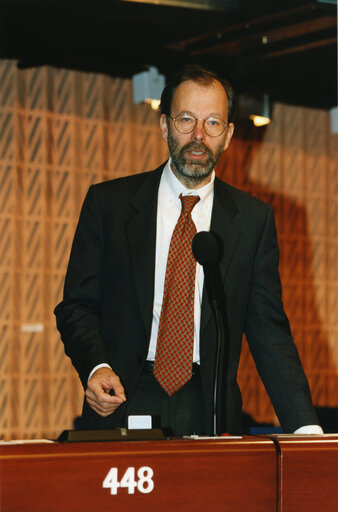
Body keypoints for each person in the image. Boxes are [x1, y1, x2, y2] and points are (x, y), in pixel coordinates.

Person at [55, 64, 322, 436]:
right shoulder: (109, 205)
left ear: (228, 136)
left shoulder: (252, 220)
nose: (199, 135)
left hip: (210, 407)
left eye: (213, 123)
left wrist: (306, 429)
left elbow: (269, 332)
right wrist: (96, 367)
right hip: (126, 396)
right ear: (164, 126)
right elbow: (77, 306)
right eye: (186, 120)